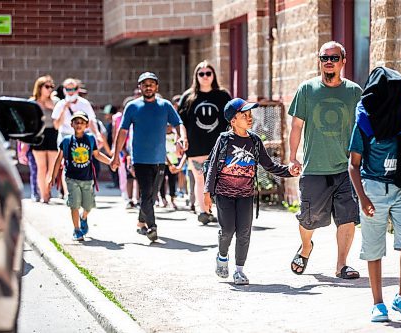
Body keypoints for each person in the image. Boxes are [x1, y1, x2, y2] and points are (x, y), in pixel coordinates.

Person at [348, 66, 401, 322]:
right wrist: (363, 197)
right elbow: (354, 165)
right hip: (373, 189)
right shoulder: (364, 119)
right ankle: (377, 303)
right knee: (373, 248)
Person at [288, 41, 363, 278]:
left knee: (347, 216)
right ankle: (307, 247)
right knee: (308, 219)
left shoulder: (354, 92)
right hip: (314, 167)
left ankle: (341, 265)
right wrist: (292, 157)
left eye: (333, 58)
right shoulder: (307, 90)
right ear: (319, 61)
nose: (328, 62)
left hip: (345, 168)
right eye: (324, 58)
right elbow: (296, 126)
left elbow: (363, 128)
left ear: (343, 61)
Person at [204, 98, 298, 285]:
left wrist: (288, 170)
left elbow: (269, 165)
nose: (249, 118)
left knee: (244, 232)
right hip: (224, 194)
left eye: (250, 115)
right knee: (228, 230)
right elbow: (213, 166)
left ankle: (239, 270)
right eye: (244, 115)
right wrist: (207, 193)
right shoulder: (224, 139)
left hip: (246, 195)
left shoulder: (254, 141)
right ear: (232, 120)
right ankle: (222, 256)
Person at [110, 72, 188, 242]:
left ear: (156, 87)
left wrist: (182, 137)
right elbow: (122, 132)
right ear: (140, 87)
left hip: (160, 159)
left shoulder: (165, 105)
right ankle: (152, 227)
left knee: (152, 195)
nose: (148, 87)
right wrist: (115, 156)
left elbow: (179, 124)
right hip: (140, 159)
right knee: (146, 193)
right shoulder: (132, 106)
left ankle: (140, 221)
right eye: (144, 84)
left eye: (151, 84)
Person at [178, 60, 231, 224]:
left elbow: (232, 119)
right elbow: (181, 122)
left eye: (208, 73)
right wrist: (182, 139)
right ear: (196, 76)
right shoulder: (188, 97)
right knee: (200, 179)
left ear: (213, 75)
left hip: (218, 145)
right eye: (201, 74)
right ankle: (204, 211)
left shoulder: (222, 95)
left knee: (219, 179)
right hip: (196, 146)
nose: (205, 76)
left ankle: (221, 211)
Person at [49, 111, 111, 241]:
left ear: (87, 125)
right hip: (71, 178)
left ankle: (84, 218)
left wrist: (111, 162)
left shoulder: (90, 139)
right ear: (71, 124)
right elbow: (58, 159)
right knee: (74, 205)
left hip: (87, 179)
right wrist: (53, 176)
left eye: (82, 123)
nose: (79, 125)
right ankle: (77, 230)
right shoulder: (66, 141)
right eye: (76, 122)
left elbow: (97, 155)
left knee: (88, 206)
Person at [30, 75, 59, 203]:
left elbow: (59, 120)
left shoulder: (56, 101)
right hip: (38, 134)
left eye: (52, 86)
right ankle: (44, 195)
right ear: (40, 87)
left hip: (52, 133)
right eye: (47, 86)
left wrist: (52, 107)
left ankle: (48, 190)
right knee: (41, 167)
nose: (50, 89)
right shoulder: (32, 102)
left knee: (52, 168)